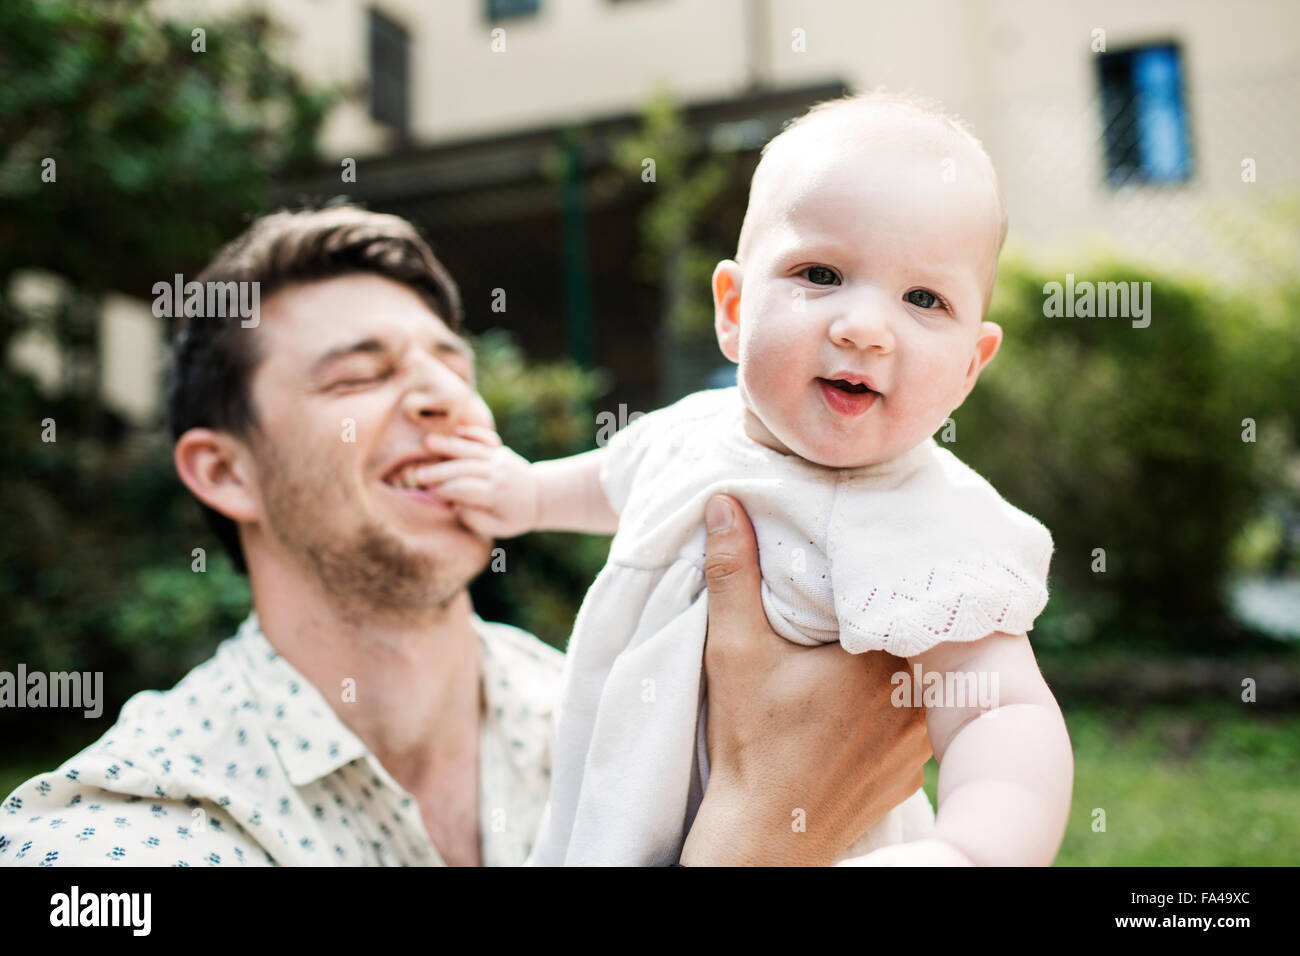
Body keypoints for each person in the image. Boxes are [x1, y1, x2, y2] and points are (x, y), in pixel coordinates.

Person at [0, 205, 930, 867]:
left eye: (452, 364)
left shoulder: (621, 708)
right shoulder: (133, 821)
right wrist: (763, 836)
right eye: (358, 376)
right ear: (224, 471)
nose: (444, 395)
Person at [410, 92, 1075, 866]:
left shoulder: (926, 514)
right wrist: (523, 493)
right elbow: (611, 480)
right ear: (732, 309)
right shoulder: (691, 429)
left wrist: (969, 850)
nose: (863, 327)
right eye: (820, 273)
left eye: (924, 298)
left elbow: (999, 711)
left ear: (969, 367)